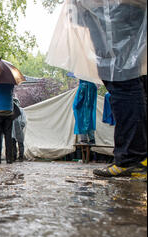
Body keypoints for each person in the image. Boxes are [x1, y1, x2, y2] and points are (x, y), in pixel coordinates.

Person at [48, 0, 147, 178]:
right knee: (132, 77)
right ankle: (137, 157)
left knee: (121, 78)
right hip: (120, 8)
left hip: (113, 8)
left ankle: (132, 159)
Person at [73, 80, 97, 145]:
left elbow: (79, 98)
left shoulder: (83, 85)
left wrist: (76, 106)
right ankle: (92, 139)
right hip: (90, 108)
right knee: (89, 122)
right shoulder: (93, 85)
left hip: (82, 108)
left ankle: (84, 140)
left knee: (81, 122)